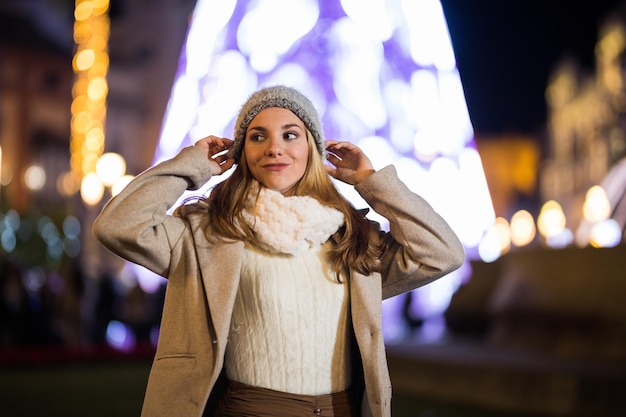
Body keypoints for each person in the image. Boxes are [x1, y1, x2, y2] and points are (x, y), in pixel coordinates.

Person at [93, 85, 465, 417]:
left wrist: (373, 184)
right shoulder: (209, 232)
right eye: (258, 137)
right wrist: (190, 166)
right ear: (241, 152)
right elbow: (118, 225)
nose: (275, 148)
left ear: (312, 150)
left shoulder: (350, 236)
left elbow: (442, 253)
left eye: (291, 135)